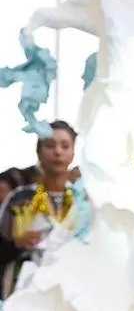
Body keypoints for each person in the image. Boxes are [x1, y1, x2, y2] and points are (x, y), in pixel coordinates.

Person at [0, 121, 85, 298]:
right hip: (24, 295)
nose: (58, 152)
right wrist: (15, 245)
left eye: (65, 146)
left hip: (72, 293)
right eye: (50, 145)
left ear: (73, 154)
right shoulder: (20, 199)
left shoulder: (83, 201)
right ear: (39, 152)